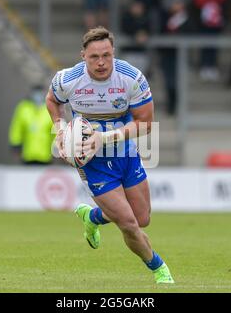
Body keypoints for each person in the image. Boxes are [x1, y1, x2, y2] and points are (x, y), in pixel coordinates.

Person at [45, 27, 175, 284]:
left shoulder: (131, 78)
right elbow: (52, 100)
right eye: (94, 57)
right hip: (92, 163)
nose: (101, 62)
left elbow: (146, 124)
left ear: (113, 52)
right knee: (128, 223)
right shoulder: (68, 80)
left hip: (125, 152)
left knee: (142, 218)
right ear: (83, 56)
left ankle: (91, 216)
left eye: (106, 55)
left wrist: (102, 138)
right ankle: (159, 269)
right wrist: (60, 129)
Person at [8, 86, 55, 165]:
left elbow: (54, 130)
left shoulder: (49, 108)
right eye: (36, 93)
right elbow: (17, 127)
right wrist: (15, 144)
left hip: (45, 155)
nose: (38, 96)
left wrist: (56, 146)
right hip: (27, 155)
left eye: (40, 93)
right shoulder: (23, 108)